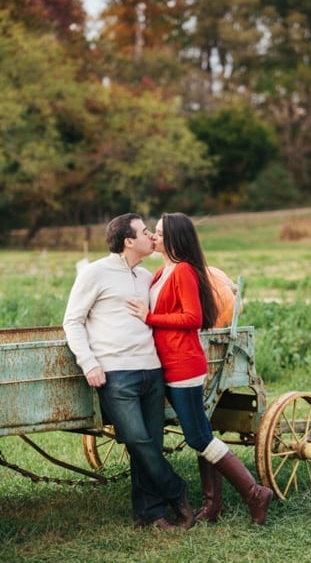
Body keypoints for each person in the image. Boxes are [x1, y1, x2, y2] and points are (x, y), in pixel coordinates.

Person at [127, 212, 273, 525]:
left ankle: (255, 493)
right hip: (165, 364)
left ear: (174, 239)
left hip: (183, 364)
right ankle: (214, 504)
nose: (153, 236)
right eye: (153, 231)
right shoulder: (160, 273)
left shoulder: (183, 272)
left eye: (160, 232)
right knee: (201, 431)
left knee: (198, 437)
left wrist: (149, 317)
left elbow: (193, 318)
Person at [63, 213, 194, 530]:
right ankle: (177, 492)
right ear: (128, 241)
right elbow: (73, 321)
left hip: (152, 370)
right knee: (137, 440)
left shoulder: (146, 276)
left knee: (151, 441)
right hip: (117, 373)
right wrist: (89, 363)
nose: (152, 235)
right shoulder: (95, 273)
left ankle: (150, 513)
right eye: (145, 231)